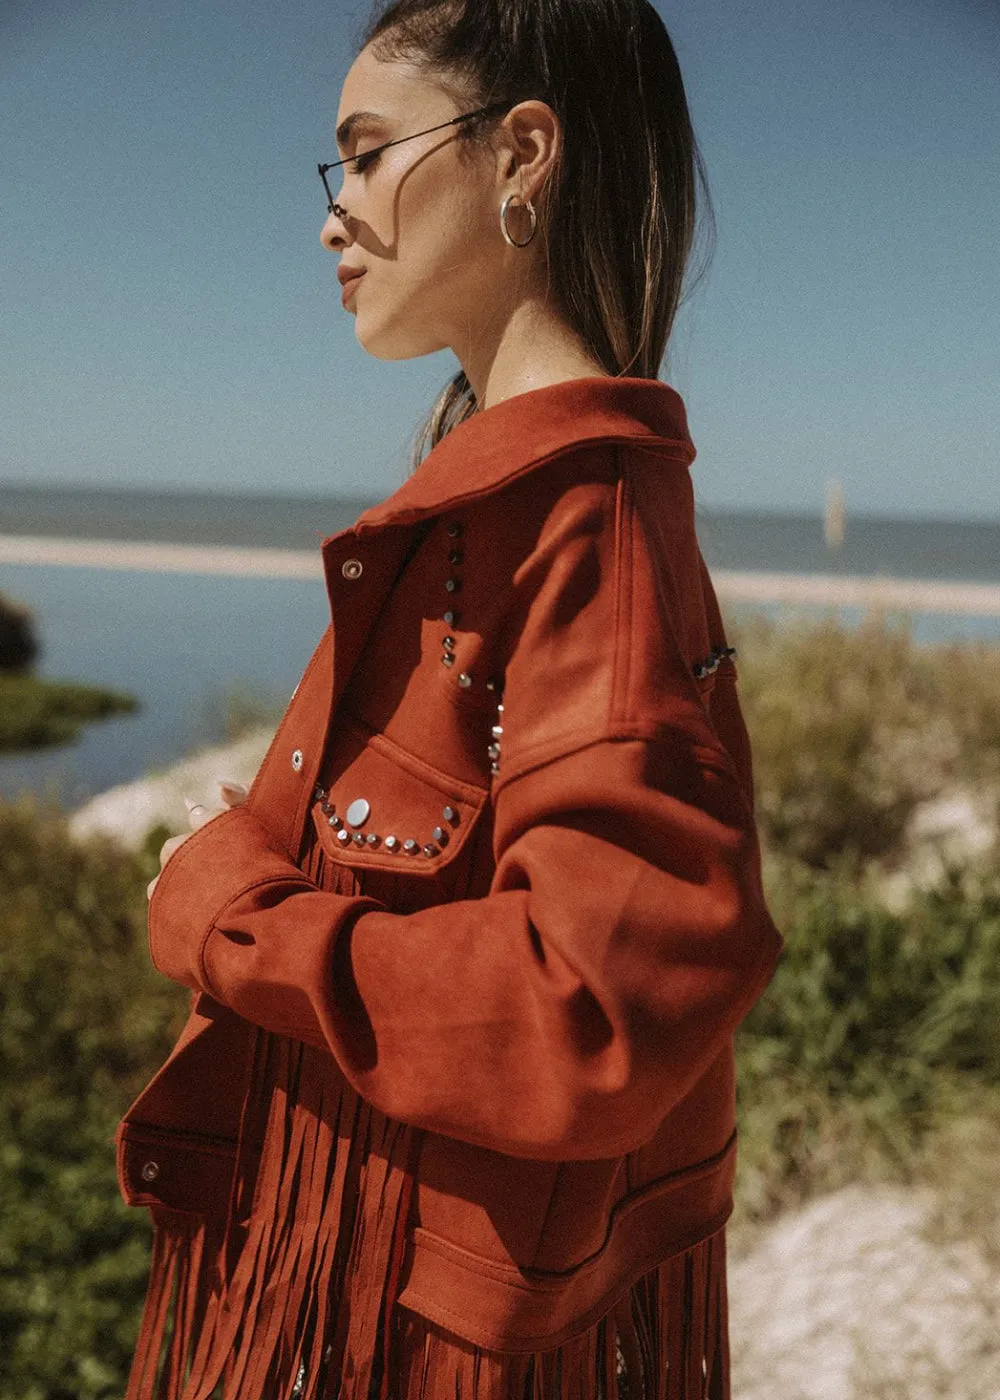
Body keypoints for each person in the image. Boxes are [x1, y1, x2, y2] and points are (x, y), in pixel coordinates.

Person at [117, 1, 784, 1396]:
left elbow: (590, 1004)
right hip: (364, 1294)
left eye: (366, 155)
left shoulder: (577, 530)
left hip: (435, 1344)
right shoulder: (503, 504)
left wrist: (229, 909)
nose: (333, 216)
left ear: (522, 156)